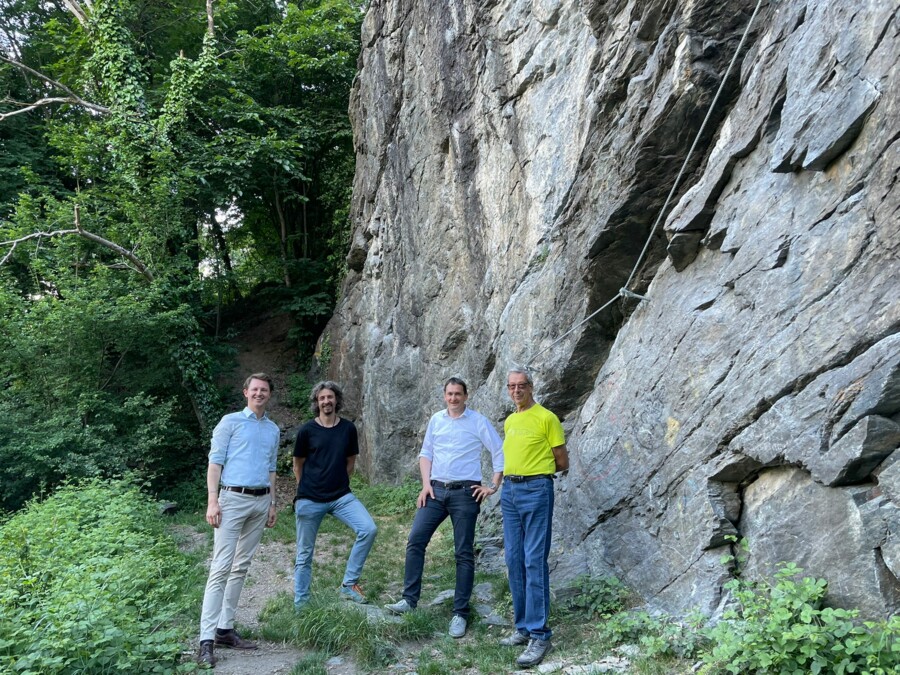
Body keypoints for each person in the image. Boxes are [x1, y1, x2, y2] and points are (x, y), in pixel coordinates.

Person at [385, 377, 504, 638]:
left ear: (466, 395)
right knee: (415, 540)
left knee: (463, 553)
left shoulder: (478, 421)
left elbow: (499, 451)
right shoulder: (436, 420)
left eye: (458, 394)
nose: (453, 398)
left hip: (466, 493)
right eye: (449, 394)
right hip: (436, 491)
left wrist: (492, 486)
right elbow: (426, 454)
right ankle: (409, 600)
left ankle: (460, 613)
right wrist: (425, 484)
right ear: (444, 395)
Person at [198, 373, 280, 668]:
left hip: (260, 502)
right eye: (255, 389)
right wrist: (212, 501)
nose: (259, 394)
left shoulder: (272, 429)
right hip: (231, 500)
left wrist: (272, 503)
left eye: (264, 390)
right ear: (246, 392)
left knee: (241, 566)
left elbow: (271, 468)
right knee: (220, 567)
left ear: (269, 394)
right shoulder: (230, 422)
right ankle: (205, 640)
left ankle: (225, 629)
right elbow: (215, 462)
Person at [498, 367, 568, 667]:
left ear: (531, 387)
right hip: (509, 491)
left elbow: (562, 460)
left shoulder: (547, 417)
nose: (517, 390)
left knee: (533, 559)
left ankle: (540, 634)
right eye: (512, 386)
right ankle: (523, 627)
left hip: (537, 489)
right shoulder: (511, 420)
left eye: (522, 385)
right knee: (514, 559)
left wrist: (536, 473)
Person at [293, 381, 377, 608]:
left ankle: (348, 585)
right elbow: (297, 464)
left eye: (330, 397)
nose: (326, 401)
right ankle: (301, 605)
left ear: (336, 400)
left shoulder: (348, 429)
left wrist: (337, 482)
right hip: (309, 498)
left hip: (341, 496)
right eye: (322, 398)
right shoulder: (307, 431)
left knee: (368, 529)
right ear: (316, 402)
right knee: (304, 555)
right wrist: (306, 489)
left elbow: (351, 461)